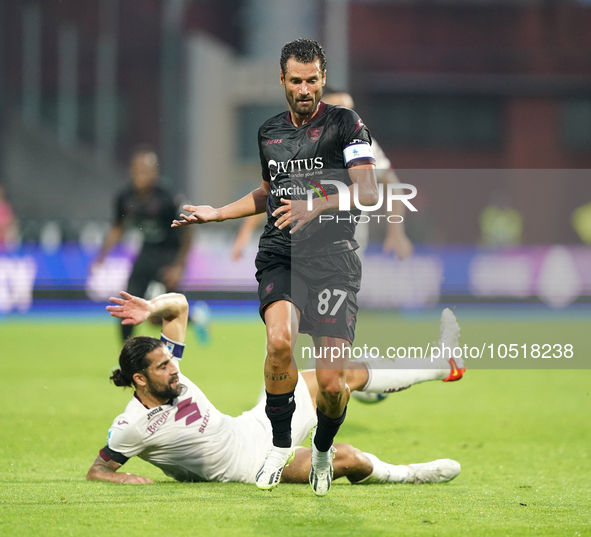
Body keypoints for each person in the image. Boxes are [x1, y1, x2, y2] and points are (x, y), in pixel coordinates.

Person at [172, 39, 458, 496]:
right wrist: (219, 214)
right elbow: (269, 191)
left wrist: (317, 203)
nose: (304, 89)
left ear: (322, 80)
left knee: (330, 381)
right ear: (282, 81)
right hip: (281, 253)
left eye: (312, 80)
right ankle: (280, 446)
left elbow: (369, 192)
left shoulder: (346, 124)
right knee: (279, 341)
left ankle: (323, 449)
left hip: (333, 262)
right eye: (295, 81)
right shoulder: (268, 132)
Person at [86, 290, 462, 486]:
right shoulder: (132, 425)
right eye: (163, 366)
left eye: (171, 361)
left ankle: (441, 365)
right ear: (140, 379)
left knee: (336, 373)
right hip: (250, 467)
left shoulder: (170, 375)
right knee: (345, 458)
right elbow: (98, 469)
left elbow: (178, 306)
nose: (174, 369)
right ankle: (411, 474)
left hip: (255, 425)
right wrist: (117, 475)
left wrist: (150, 307)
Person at [230, 89, 414, 261]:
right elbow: (271, 192)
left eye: (349, 111)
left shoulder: (363, 145)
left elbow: (391, 184)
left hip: (346, 246)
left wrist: (396, 231)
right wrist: (245, 232)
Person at [93, 145, 192, 341]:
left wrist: (179, 266)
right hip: (147, 252)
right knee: (127, 303)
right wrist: (101, 256)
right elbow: (117, 227)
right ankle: (126, 359)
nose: (141, 175)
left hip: (169, 255)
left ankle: (173, 354)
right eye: (138, 170)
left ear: (155, 173)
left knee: (166, 315)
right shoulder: (125, 197)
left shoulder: (167, 197)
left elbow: (188, 231)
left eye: (146, 170)